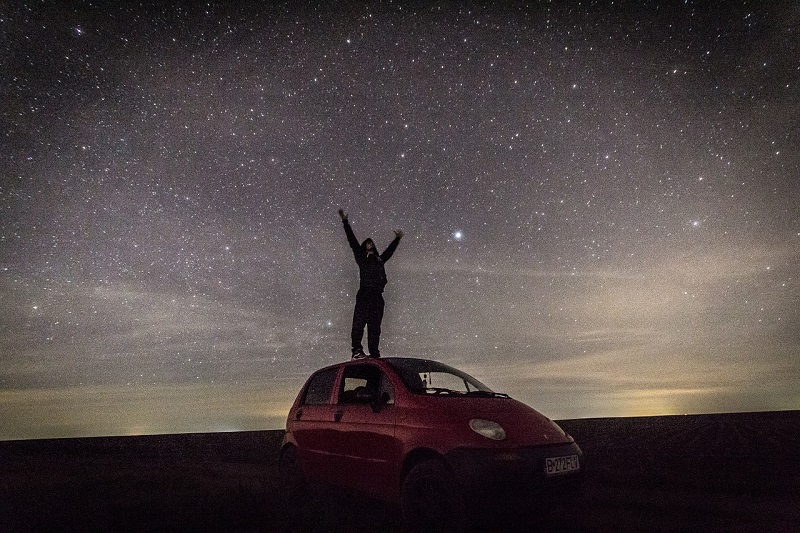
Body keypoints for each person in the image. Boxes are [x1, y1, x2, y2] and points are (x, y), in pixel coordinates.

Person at [338, 208, 403, 358]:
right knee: (359, 323)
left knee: (375, 327)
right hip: (365, 293)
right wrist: (345, 222)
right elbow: (352, 241)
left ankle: (374, 353)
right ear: (364, 247)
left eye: (371, 242)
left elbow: (389, 252)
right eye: (367, 242)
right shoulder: (362, 258)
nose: (370, 243)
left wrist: (397, 240)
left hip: (377, 297)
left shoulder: (380, 260)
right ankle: (357, 350)